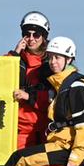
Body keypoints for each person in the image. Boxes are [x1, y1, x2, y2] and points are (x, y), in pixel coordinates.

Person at [10, 36, 84, 166]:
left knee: (19, 158)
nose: (53, 62)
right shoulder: (60, 85)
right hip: (63, 143)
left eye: (57, 58)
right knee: (20, 155)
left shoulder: (76, 86)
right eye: (50, 57)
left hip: (72, 148)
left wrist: (76, 156)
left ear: (68, 59)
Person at [7, 10, 53, 151]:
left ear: (44, 37)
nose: (31, 39)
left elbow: (57, 96)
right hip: (17, 129)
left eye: (36, 35)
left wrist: (28, 96)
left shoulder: (53, 62)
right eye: (27, 34)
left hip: (44, 129)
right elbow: (0, 75)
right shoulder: (14, 59)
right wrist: (15, 54)